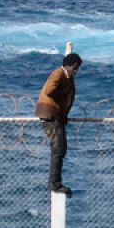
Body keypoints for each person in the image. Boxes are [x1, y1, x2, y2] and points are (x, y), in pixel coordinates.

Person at [36, 53, 83, 196]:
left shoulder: (67, 76)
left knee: (60, 149)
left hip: (56, 116)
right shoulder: (58, 74)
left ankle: (56, 182)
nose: (76, 71)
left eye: (77, 69)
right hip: (50, 116)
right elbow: (49, 91)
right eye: (75, 68)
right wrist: (64, 91)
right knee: (58, 150)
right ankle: (55, 184)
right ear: (68, 65)